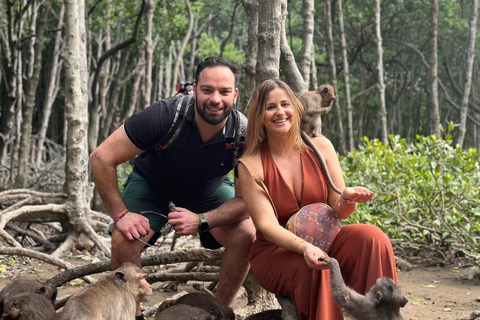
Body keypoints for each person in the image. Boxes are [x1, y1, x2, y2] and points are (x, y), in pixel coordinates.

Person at [90, 57, 256, 320]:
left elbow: (249, 199)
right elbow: (101, 158)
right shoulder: (165, 115)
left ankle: (218, 312)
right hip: (151, 185)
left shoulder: (244, 133)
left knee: (246, 233)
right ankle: (133, 313)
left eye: (224, 91)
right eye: (207, 90)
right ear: (195, 89)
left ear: (235, 94)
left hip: (208, 190)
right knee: (124, 238)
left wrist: (202, 219)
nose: (216, 99)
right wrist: (120, 214)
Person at [237, 79, 397, 320]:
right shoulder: (250, 164)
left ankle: (382, 316)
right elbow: (267, 227)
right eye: (271, 107)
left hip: (327, 240)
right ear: (259, 115)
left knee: (373, 238)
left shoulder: (320, 146)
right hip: (276, 251)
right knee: (321, 266)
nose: (280, 112)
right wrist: (305, 248)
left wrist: (347, 198)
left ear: (296, 108)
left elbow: (339, 211)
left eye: (285, 104)